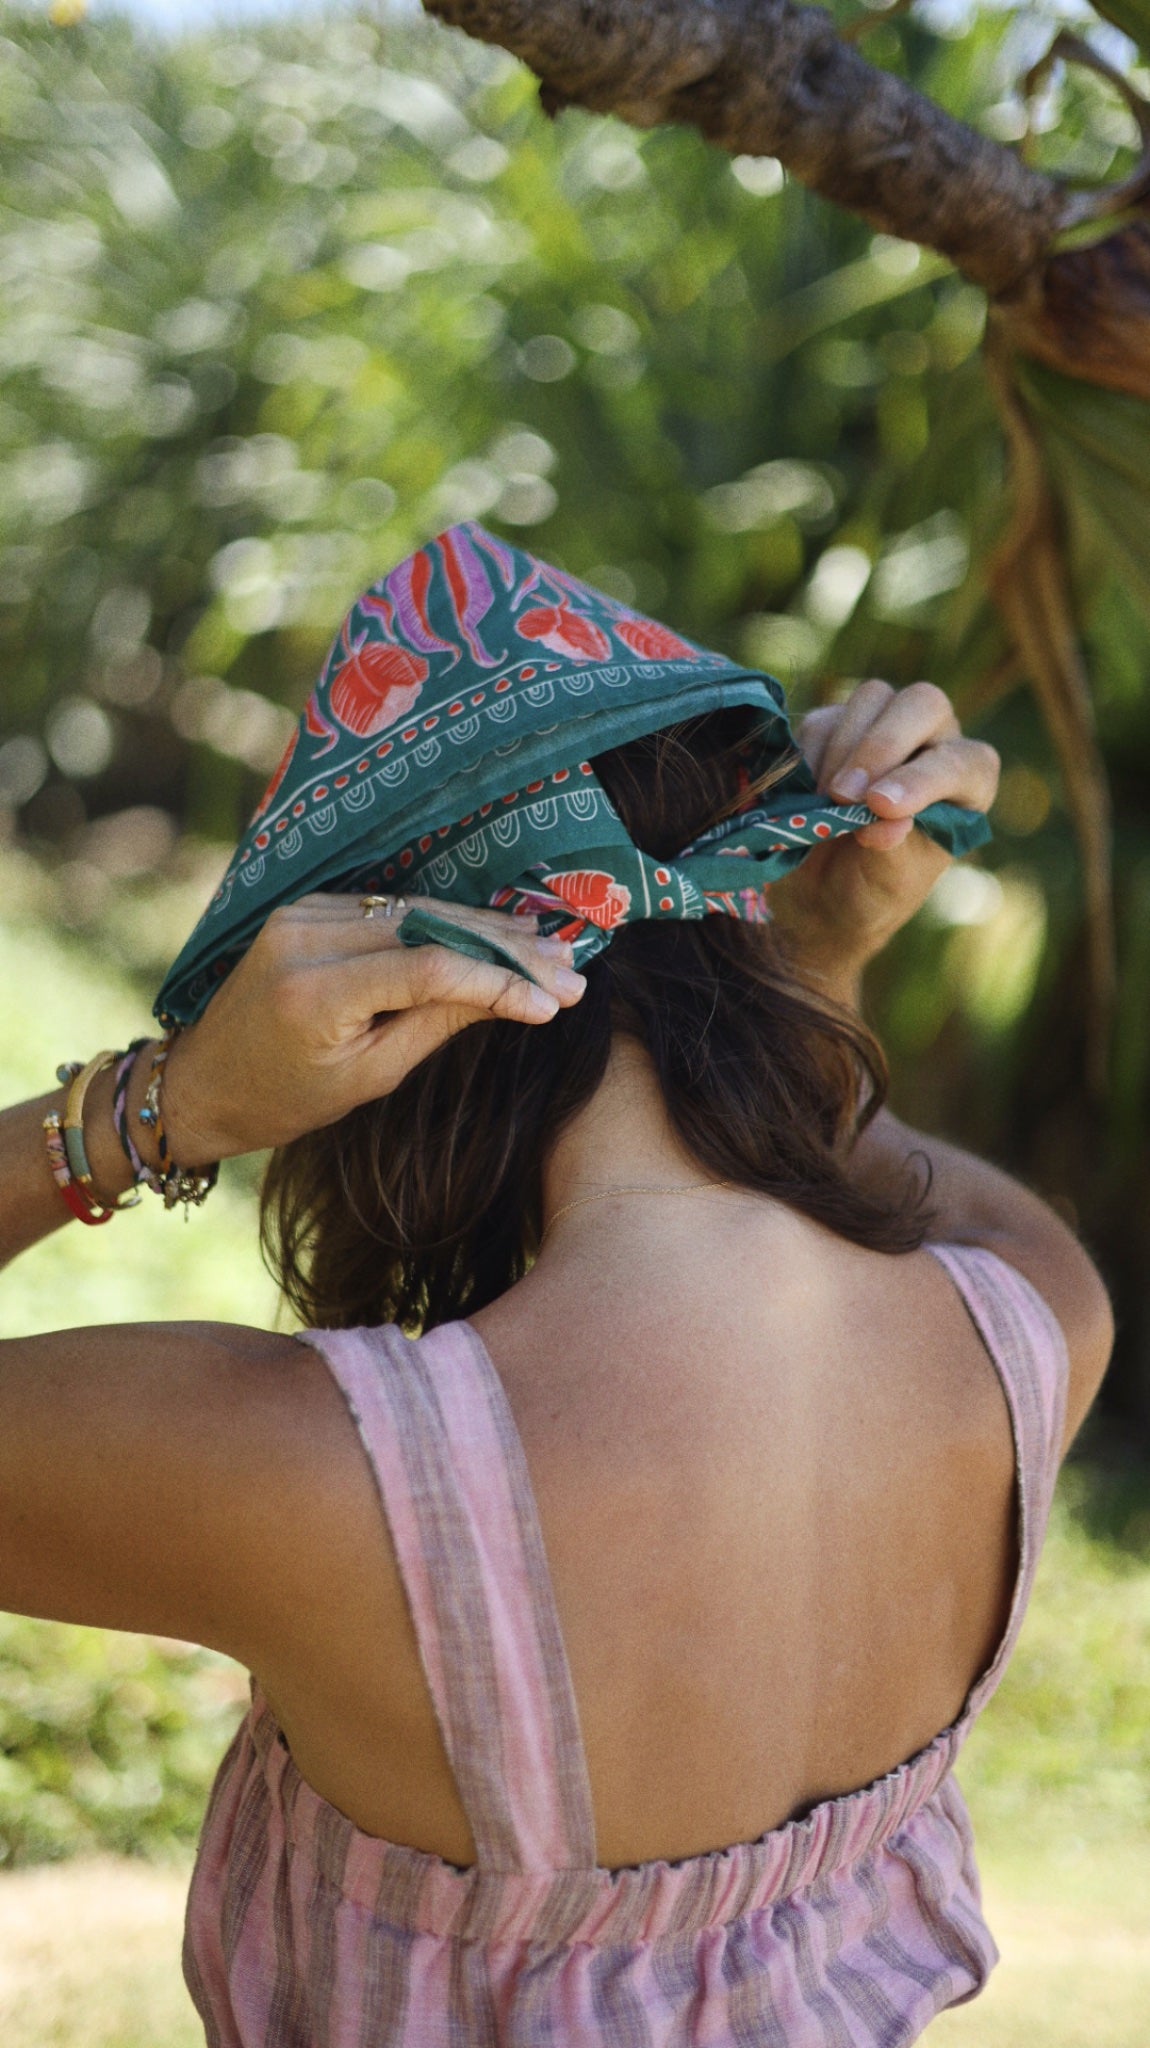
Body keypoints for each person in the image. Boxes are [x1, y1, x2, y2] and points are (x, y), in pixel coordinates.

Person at [0, 530, 1112, 2046]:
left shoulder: (337, 1486)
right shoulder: (1033, 1326)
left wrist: (165, 1108)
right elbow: (862, 1155)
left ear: (371, 1011)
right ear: (752, 886)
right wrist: (819, 964)